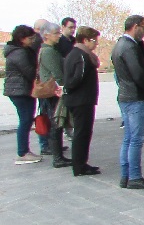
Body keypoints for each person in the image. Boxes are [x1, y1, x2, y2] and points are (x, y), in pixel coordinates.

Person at [111, 15, 144, 189]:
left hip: (125, 95)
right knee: (136, 139)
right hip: (134, 96)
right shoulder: (129, 47)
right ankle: (134, 176)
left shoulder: (120, 45)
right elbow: (138, 74)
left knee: (129, 138)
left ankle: (126, 175)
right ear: (135, 27)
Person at [62, 28, 102, 176]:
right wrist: (72, 89)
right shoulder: (81, 55)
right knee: (82, 133)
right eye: (94, 40)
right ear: (84, 40)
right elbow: (75, 79)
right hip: (81, 100)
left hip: (80, 99)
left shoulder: (75, 53)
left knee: (82, 132)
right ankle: (79, 166)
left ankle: (81, 163)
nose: (96, 43)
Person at [4, 25, 41, 164]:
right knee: (25, 120)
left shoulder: (18, 50)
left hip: (18, 90)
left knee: (25, 120)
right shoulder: (20, 53)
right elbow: (30, 72)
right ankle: (23, 152)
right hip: (20, 91)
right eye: (30, 38)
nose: (32, 40)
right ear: (21, 39)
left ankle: (24, 151)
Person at [37, 22, 69, 164]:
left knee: (54, 123)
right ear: (47, 35)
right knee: (56, 123)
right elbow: (57, 74)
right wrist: (64, 88)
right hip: (53, 92)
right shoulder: (49, 51)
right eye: (56, 33)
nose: (59, 36)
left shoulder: (46, 50)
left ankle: (57, 154)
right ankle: (57, 157)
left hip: (50, 92)